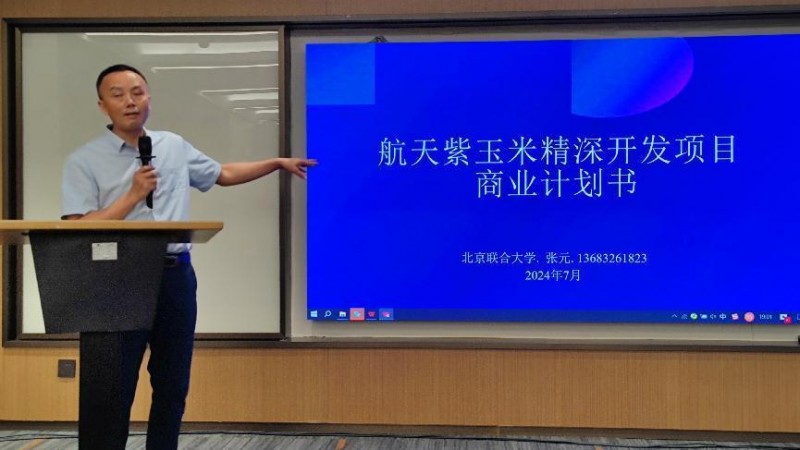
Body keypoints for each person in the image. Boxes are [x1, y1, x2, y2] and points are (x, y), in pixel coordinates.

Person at [61, 64, 316, 450]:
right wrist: (132, 196)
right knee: (112, 388)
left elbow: (222, 173)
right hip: (117, 279)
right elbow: (77, 227)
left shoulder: (172, 146)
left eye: (137, 92)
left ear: (149, 98)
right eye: (118, 94)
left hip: (175, 277)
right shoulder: (84, 160)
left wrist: (276, 163)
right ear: (102, 105)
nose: (130, 101)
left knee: (172, 383)